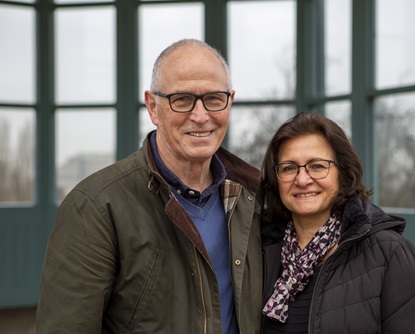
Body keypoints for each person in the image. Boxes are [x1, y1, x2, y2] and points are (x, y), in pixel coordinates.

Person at [36, 39, 262, 334]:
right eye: (181, 99)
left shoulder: (254, 196)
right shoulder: (95, 206)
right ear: (153, 107)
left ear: (229, 102)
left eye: (214, 98)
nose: (200, 115)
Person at [259, 112, 415, 333]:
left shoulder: (389, 253)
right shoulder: (259, 252)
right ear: (276, 180)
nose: (302, 180)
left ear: (342, 173)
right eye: (289, 168)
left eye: (317, 166)